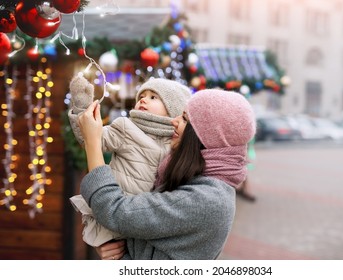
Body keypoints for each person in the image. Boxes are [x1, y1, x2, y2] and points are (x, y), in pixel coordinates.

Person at [78, 89, 256, 260]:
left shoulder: (205, 199)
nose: (174, 121)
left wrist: (92, 141)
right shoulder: (197, 177)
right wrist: (113, 250)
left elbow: (116, 212)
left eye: (185, 119)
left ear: (206, 137)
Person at [67, 76, 191, 247]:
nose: (143, 99)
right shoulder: (126, 127)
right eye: (142, 96)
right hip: (117, 211)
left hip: (148, 223)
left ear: (174, 108)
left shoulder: (179, 141)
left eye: (153, 97)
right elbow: (91, 137)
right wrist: (82, 106)